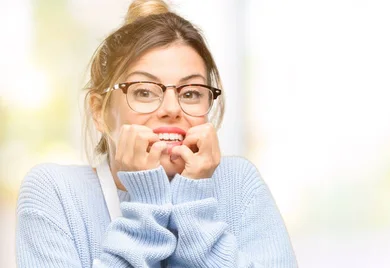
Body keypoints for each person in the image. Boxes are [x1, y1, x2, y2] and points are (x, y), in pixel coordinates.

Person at [15, 0, 298, 267]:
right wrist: (147, 203)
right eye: (145, 92)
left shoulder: (239, 183)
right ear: (99, 112)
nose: (172, 109)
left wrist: (193, 210)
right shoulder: (54, 192)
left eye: (190, 93)